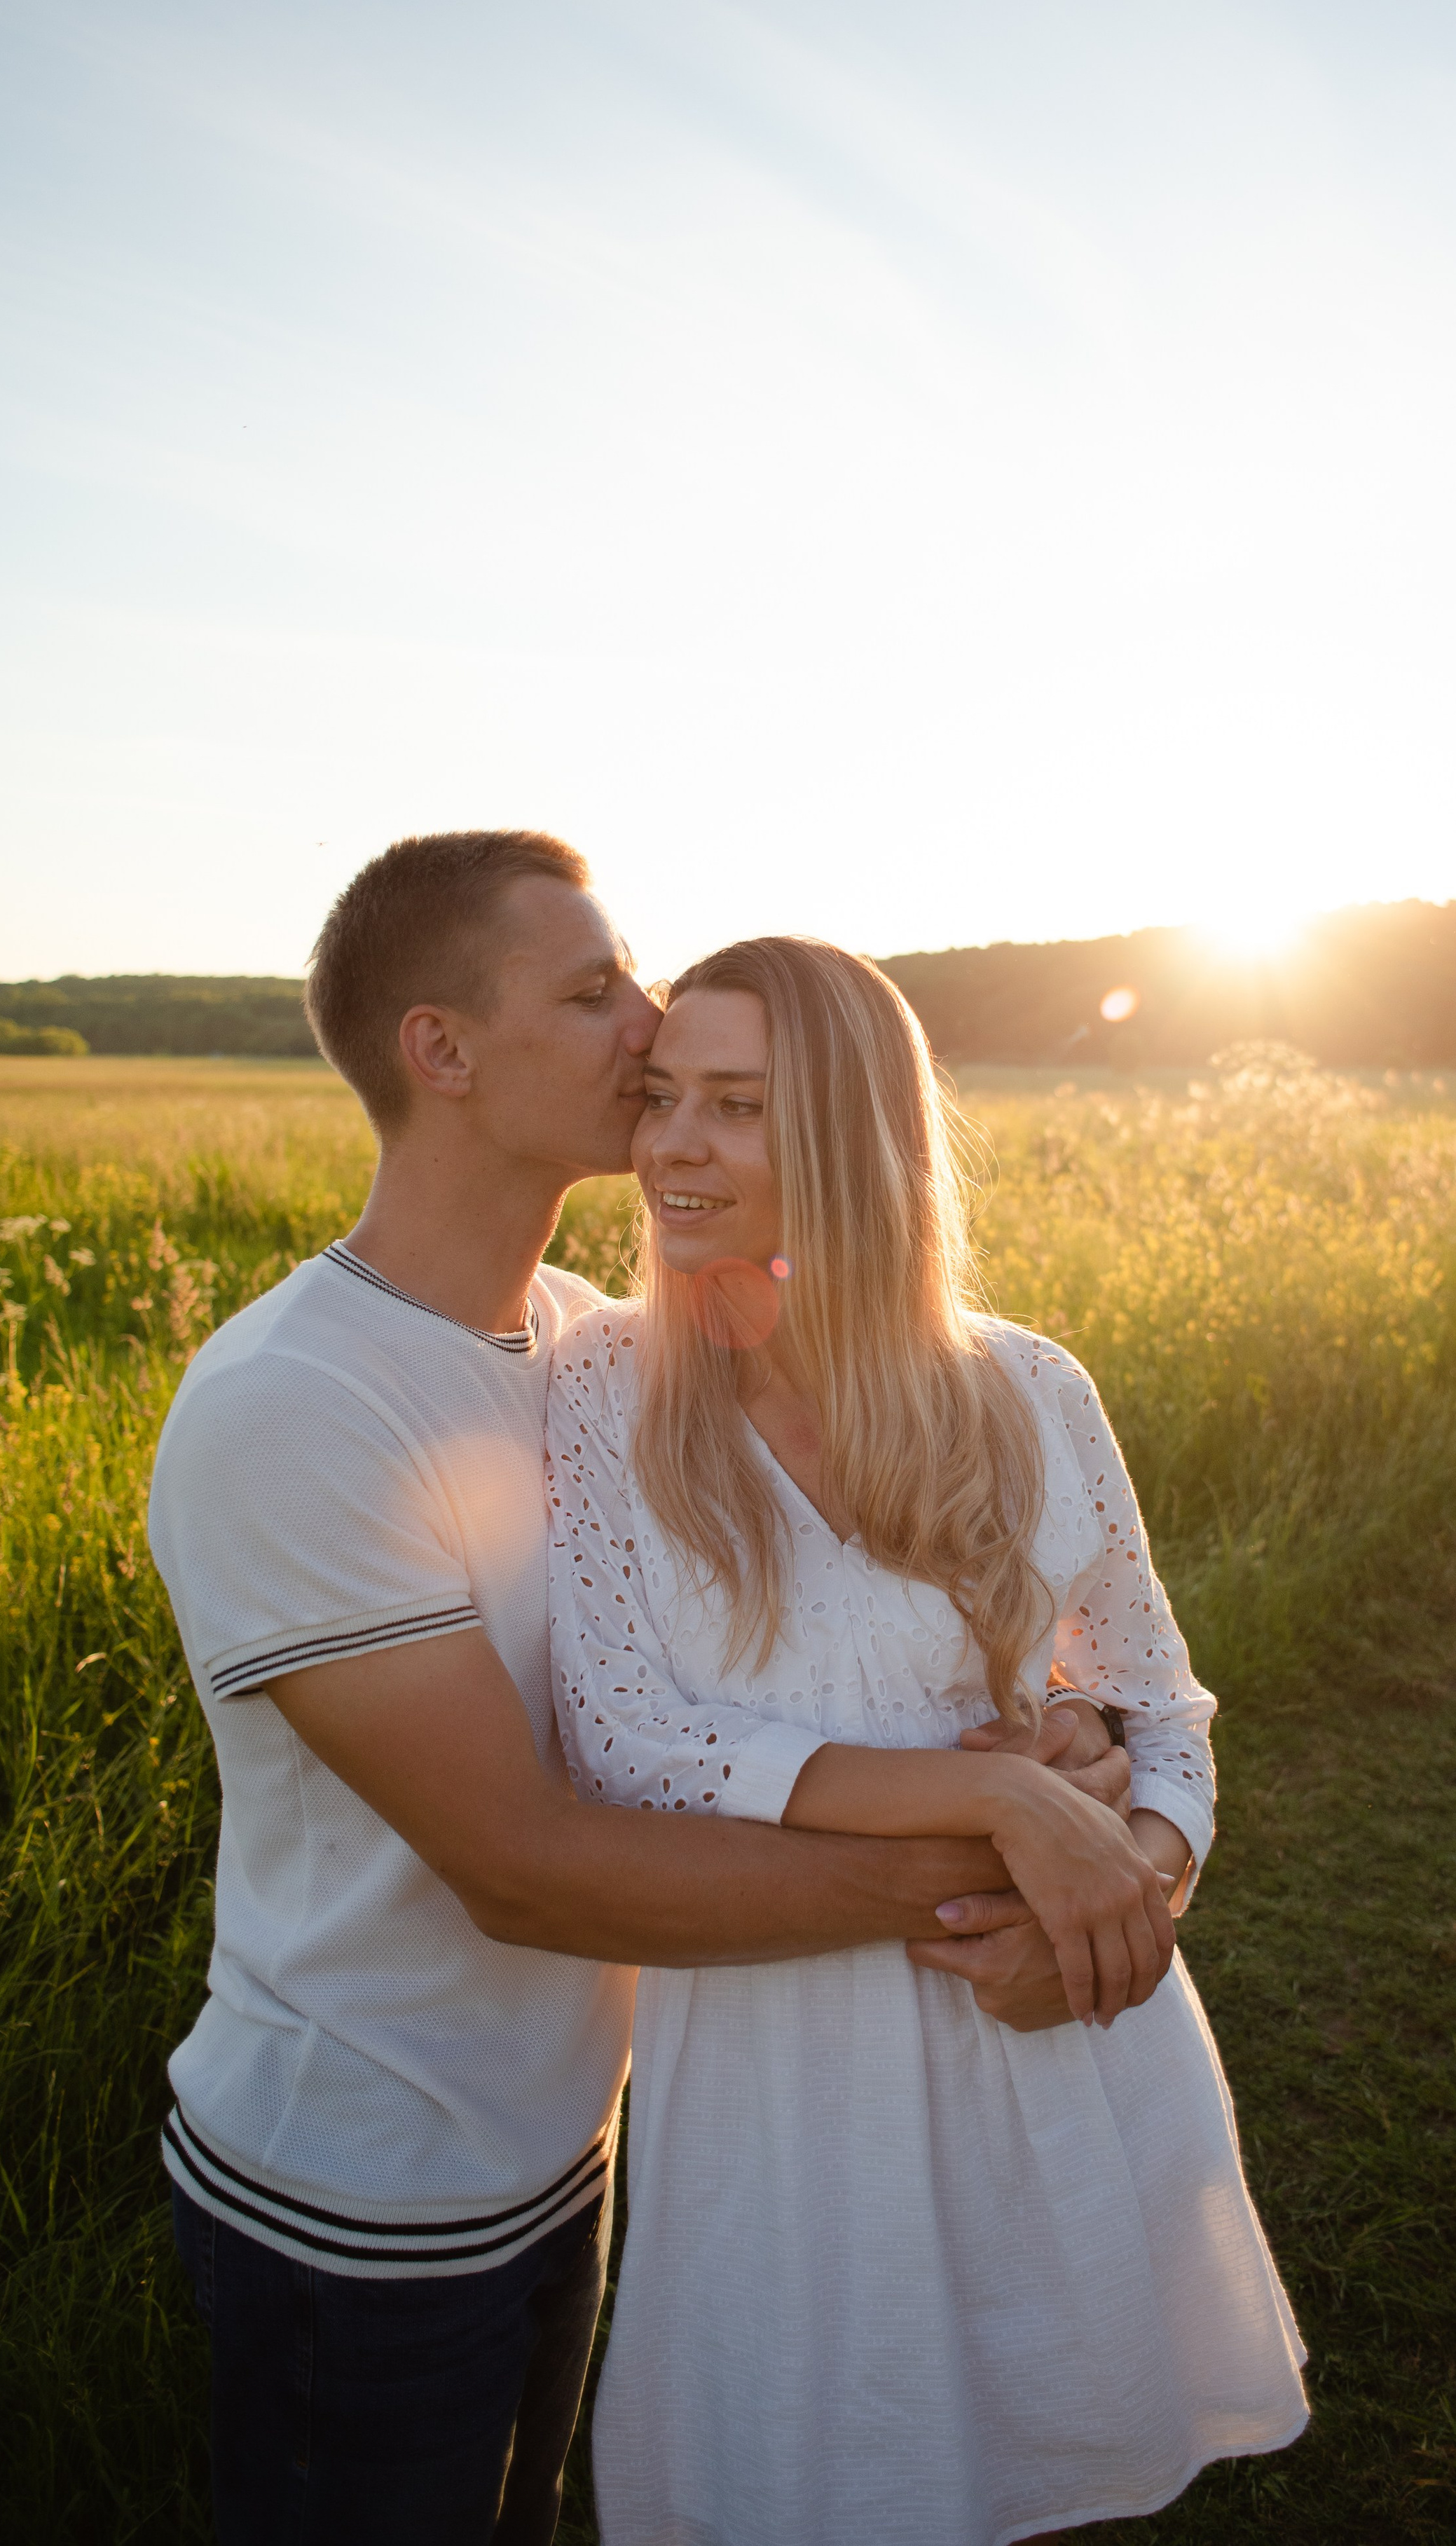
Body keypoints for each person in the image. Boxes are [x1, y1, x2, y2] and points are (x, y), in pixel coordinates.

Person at [147, 831, 1143, 2546]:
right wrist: (1014, 1849)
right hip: (366, 2187)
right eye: (594, 987)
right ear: (440, 1051)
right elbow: (525, 1860)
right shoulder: (296, 1404)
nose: (647, 1018)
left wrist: (1057, 1736)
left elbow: (824, 1594)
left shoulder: (586, 1334)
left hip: (586, 2136)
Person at [548, 935, 1309, 2546]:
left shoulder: (1029, 1389)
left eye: (737, 1105)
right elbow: (628, 1741)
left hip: (1042, 2038)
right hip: (773, 2075)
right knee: (801, 2473)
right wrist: (996, 1802)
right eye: (664, 1095)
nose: (671, 1143)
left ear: (851, 1132)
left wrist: (1128, 1897)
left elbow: (1158, 1707)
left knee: (1040, 2467)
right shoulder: (603, 1389)